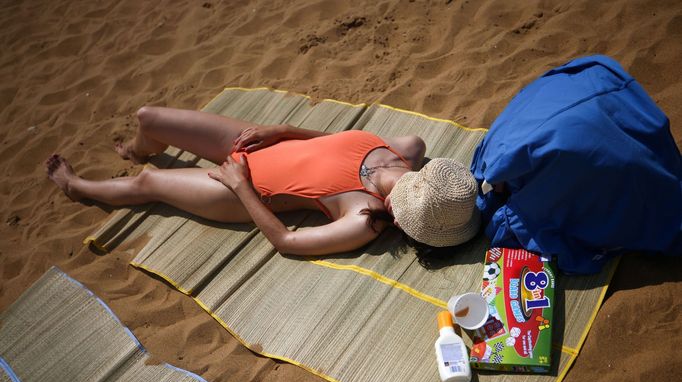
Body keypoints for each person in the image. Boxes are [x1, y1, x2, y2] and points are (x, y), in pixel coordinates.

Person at [46, 107, 480, 260]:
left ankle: (78, 186)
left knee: (148, 183)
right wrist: (283, 128)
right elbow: (332, 145)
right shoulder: (407, 146)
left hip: (239, 190)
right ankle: (140, 146)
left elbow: (286, 242)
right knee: (148, 118)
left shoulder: (362, 220)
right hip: (263, 143)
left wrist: (239, 186)